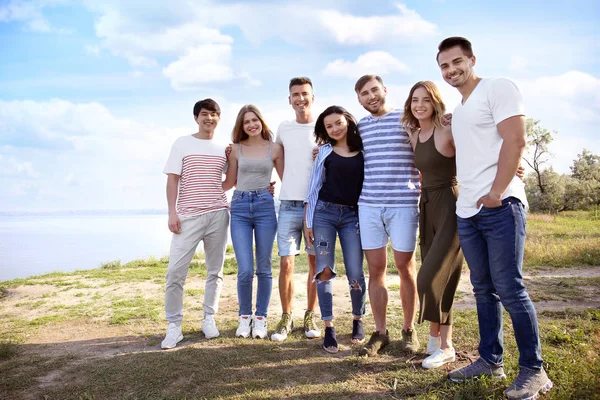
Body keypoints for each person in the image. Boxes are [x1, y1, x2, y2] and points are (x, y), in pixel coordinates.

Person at [437, 37, 552, 399]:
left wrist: (497, 192)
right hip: (468, 211)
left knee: (510, 289)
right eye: (444, 66)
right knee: (484, 290)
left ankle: (534, 371)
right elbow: (470, 146)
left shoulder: (498, 87)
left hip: (500, 206)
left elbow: (515, 139)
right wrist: (449, 120)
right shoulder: (463, 106)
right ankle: (490, 359)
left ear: (472, 59)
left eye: (457, 62)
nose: (451, 70)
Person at [354, 75, 421, 356]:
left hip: (404, 203)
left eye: (374, 90)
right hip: (368, 205)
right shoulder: (360, 127)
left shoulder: (406, 119)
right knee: (376, 270)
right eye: (364, 94)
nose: (370, 96)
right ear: (359, 99)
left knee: (405, 268)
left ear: (384, 90)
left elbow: (430, 147)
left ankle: (409, 329)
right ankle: (380, 332)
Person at [401, 81, 464, 369]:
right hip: (426, 206)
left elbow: (478, 150)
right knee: (438, 277)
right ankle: (436, 339)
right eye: (415, 100)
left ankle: (447, 346)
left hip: (450, 205)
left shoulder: (449, 130)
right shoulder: (414, 135)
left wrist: (513, 166)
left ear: (435, 101)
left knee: (432, 277)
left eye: (426, 99)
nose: (420, 104)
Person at [161, 98, 229, 349]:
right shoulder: (182, 143)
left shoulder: (224, 148)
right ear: (196, 118)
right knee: (175, 272)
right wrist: (172, 212)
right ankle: (174, 326)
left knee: (215, 271)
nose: (209, 118)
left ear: (218, 118)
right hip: (187, 216)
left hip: (218, 215)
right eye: (204, 114)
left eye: (213, 114)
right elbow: (173, 180)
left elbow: (229, 181)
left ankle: (208, 318)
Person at [303, 106, 367, 353]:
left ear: (348, 121)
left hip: (353, 216)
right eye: (329, 126)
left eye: (338, 123)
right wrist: (308, 222)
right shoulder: (324, 152)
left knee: (355, 271)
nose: (335, 128)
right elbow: (314, 188)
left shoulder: (363, 150)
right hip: (324, 215)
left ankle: (357, 319)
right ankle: (328, 326)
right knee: (324, 271)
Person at [223, 105, 284, 339]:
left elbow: (287, 178)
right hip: (239, 207)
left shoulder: (275, 148)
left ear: (261, 121)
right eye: (246, 121)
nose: (251, 124)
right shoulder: (235, 150)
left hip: (265, 206)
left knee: (264, 268)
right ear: (241, 126)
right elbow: (229, 182)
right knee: (245, 269)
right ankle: (244, 317)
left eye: (254, 120)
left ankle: (261, 318)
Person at [271, 77, 320, 342]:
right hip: (288, 203)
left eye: (305, 94)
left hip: (316, 204)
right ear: (289, 100)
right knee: (286, 264)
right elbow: (277, 156)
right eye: (295, 95)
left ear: (313, 97)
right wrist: (285, 180)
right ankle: (286, 316)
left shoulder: (324, 126)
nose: (300, 98)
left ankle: (310, 314)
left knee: (315, 262)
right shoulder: (284, 128)